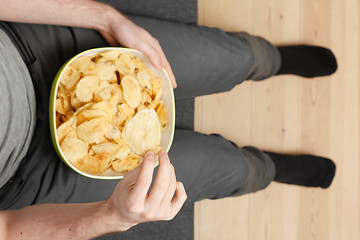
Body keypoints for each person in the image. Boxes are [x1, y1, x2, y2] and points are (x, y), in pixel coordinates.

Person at [0, 0, 337, 239]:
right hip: (30, 173)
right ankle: (266, 169)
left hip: (31, 48)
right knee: (225, 169)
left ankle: (269, 60)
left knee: (230, 57)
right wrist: (112, 217)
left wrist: (105, 18)